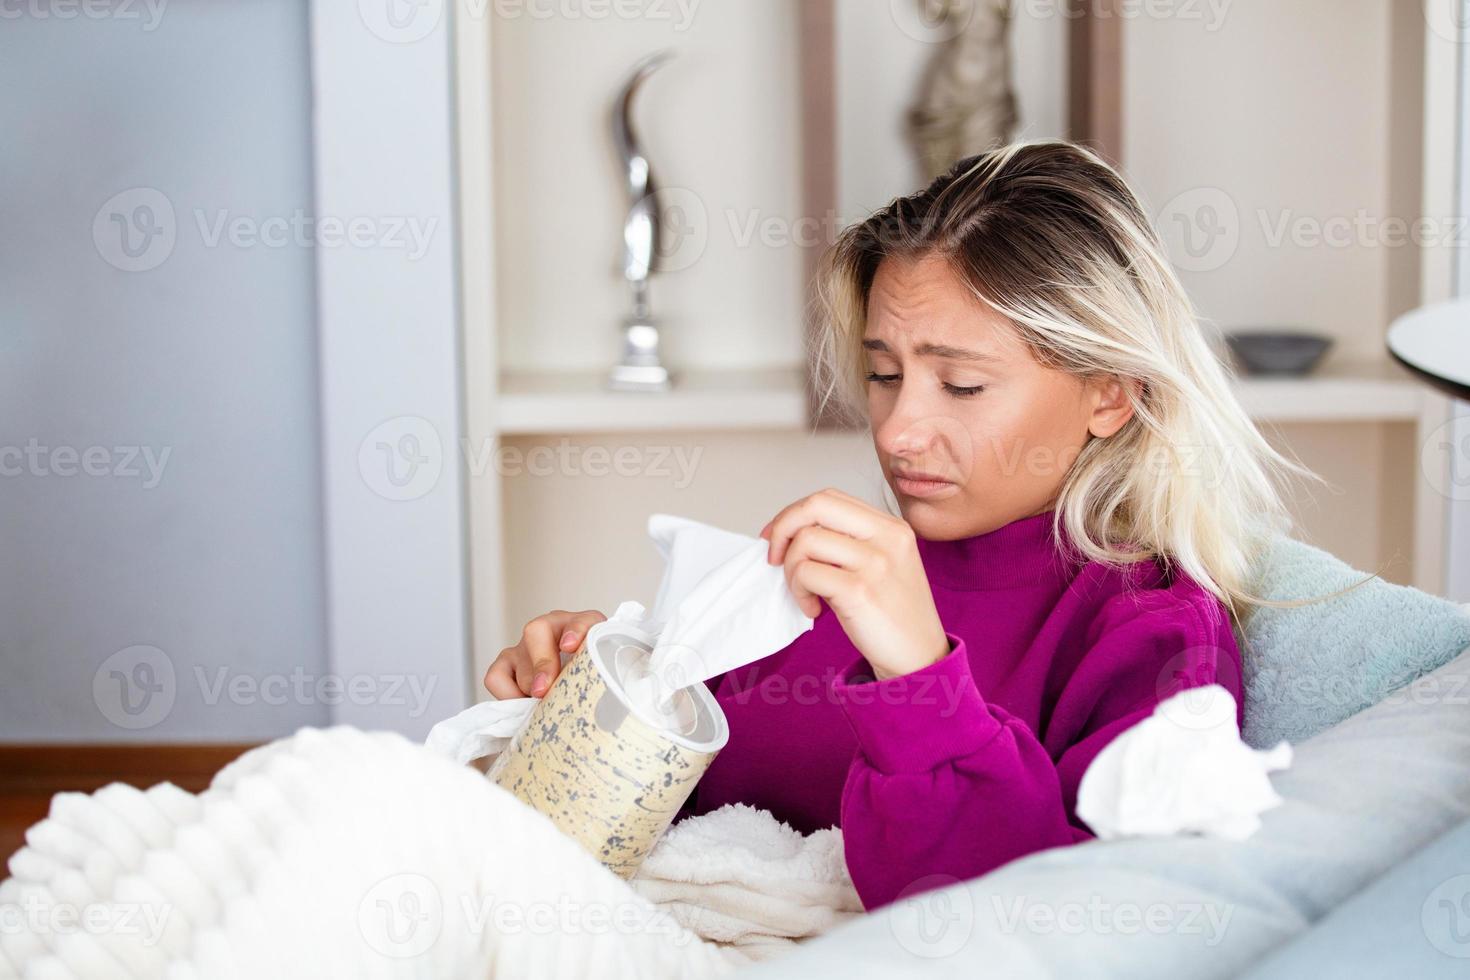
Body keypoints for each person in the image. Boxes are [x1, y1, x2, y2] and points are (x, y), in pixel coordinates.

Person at [484, 139, 1319, 911]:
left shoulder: (1150, 630)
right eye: (884, 374)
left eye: (960, 386)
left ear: (1111, 394)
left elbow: (1072, 926)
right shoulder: (819, 579)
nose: (895, 431)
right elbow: (662, 818)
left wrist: (919, 675)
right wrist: (599, 699)